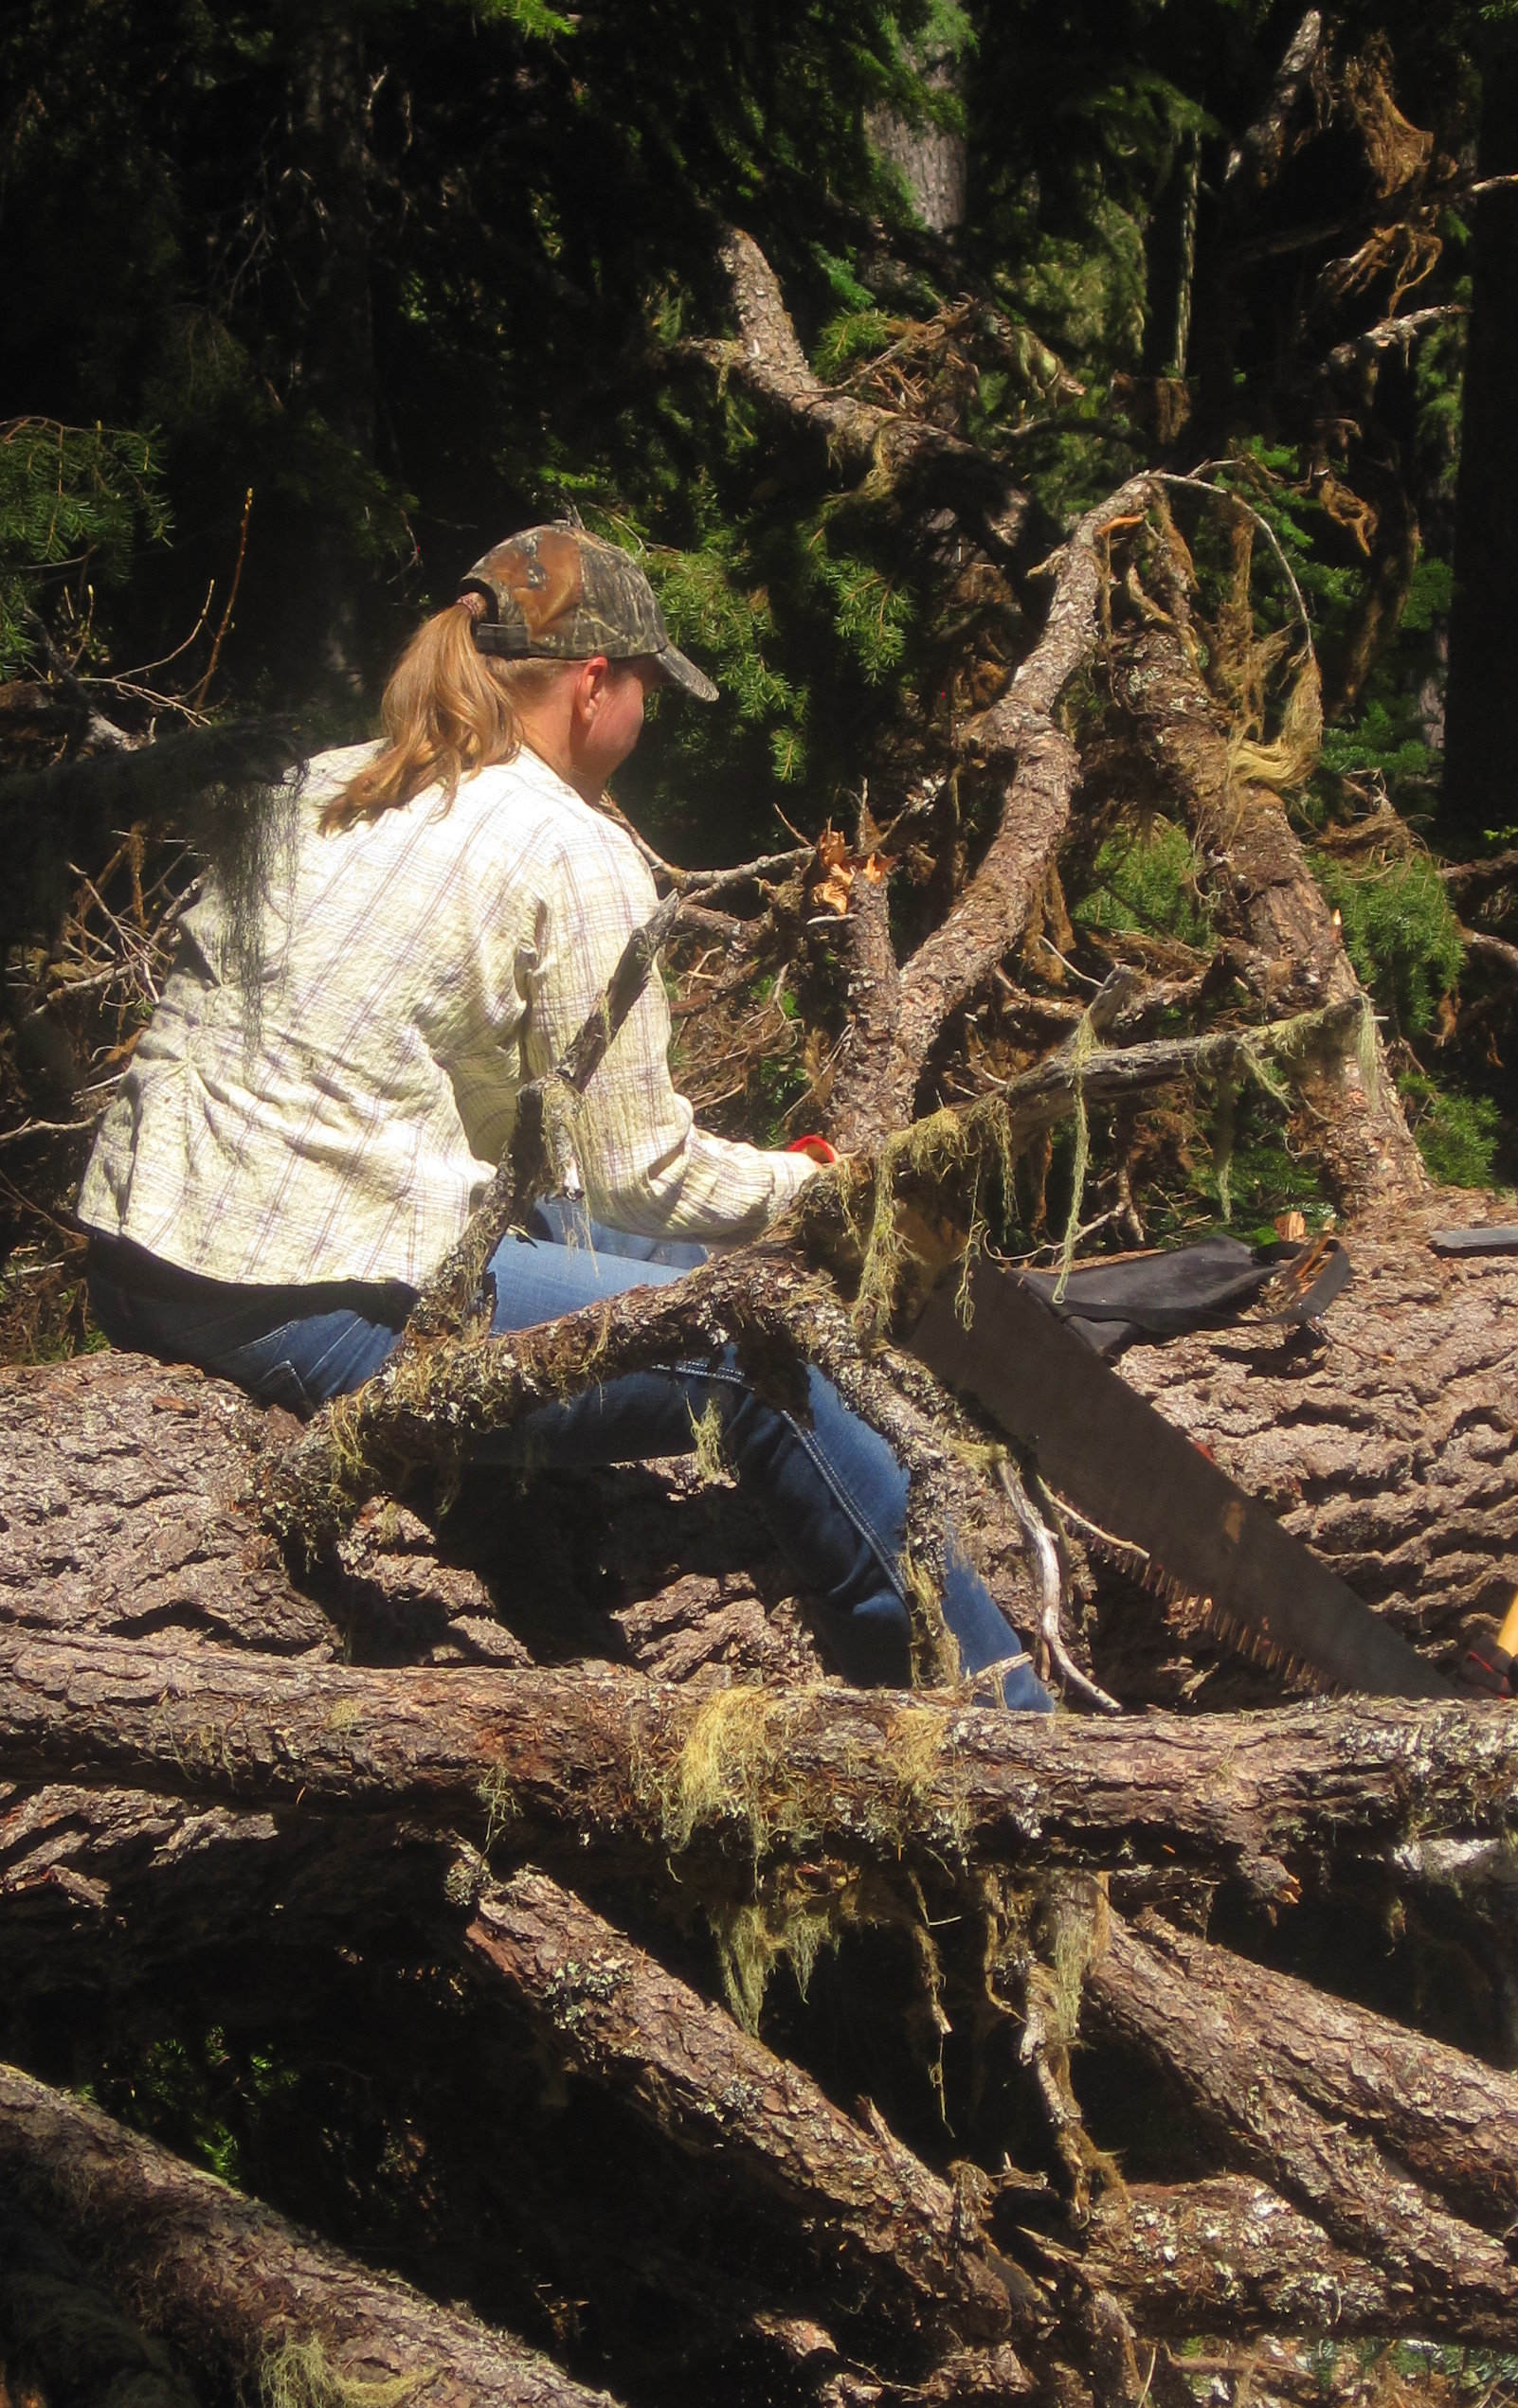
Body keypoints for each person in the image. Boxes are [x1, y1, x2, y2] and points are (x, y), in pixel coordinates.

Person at [79, 519, 1048, 1709]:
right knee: (767, 1352)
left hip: (138, 1247)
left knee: (666, 1258)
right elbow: (638, 1166)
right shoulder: (572, 847)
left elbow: (539, 1155)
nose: (647, 720)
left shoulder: (325, 780)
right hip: (286, 1294)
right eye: (646, 688)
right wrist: (829, 1186)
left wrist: (727, 1223)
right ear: (595, 685)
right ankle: (1000, 1740)